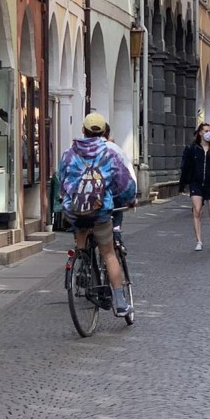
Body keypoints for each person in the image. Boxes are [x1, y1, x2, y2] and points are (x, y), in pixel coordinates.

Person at [59, 113, 137, 316]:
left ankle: (81, 262)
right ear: (103, 132)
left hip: (75, 211)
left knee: (81, 231)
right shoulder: (109, 154)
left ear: (83, 130)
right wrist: (130, 199)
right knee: (109, 253)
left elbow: (62, 179)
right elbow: (125, 184)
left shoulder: (69, 153)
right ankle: (120, 304)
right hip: (101, 211)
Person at [180, 123, 210, 251]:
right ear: (200, 132)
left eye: (209, 131)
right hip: (196, 184)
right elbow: (185, 167)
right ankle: (199, 240)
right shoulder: (192, 149)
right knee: (197, 210)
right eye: (206, 131)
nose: (208, 133)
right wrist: (182, 184)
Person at [101, 122, 136, 243]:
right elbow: (128, 173)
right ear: (107, 133)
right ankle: (116, 240)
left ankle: (82, 250)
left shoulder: (78, 148)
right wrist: (132, 197)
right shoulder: (114, 148)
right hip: (112, 196)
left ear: (84, 130)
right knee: (116, 211)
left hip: (86, 198)